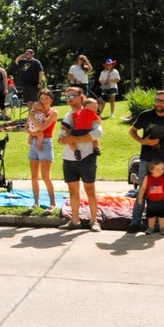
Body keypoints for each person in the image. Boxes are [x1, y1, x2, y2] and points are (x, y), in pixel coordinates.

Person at [127, 90, 164, 235]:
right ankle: (135, 223)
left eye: (163, 101)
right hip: (146, 159)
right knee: (142, 189)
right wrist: (143, 141)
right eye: (157, 100)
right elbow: (132, 131)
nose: (159, 103)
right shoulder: (146, 115)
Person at [57, 87, 103, 231]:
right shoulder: (68, 116)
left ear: (80, 97)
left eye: (72, 95)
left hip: (88, 157)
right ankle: (74, 220)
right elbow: (61, 137)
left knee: (90, 190)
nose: (69, 98)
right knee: (73, 191)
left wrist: (75, 138)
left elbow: (97, 133)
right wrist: (65, 140)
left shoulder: (90, 112)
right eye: (67, 96)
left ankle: (94, 221)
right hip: (69, 158)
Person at [26, 88, 59, 209]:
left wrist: (32, 116)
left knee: (45, 176)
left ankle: (53, 203)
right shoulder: (35, 111)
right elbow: (26, 128)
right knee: (34, 175)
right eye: (41, 98)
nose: (44, 101)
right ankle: (36, 202)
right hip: (34, 142)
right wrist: (32, 133)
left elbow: (43, 127)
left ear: (51, 99)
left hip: (45, 143)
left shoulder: (53, 113)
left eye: (46, 98)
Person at [135, 160, 164, 236]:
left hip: (162, 199)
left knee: (162, 215)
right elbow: (143, 188)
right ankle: (150, 228)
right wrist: (140, 197)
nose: (160, 171)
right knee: (151, 215)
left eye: (162, 168)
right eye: (157, 169)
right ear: (151, 170)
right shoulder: (147, 177)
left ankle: (162, 228)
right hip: (151, 200)